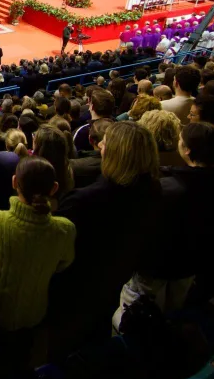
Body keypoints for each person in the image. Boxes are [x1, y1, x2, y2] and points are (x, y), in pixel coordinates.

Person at [50, 121, 160, 355]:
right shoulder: (153, 190)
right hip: (115, 280)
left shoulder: (82, 201)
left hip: (75, 291)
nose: (100, 145)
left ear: (117, 154)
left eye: (105, 143)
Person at [0, 157, 75, 379]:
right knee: (20, 372)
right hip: (31, 315)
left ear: (15, 182)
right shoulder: (64, 230)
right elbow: (64, 263)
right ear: (54, 188)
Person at [124, 122, 214, 314]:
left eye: (181, 139)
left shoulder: (169, 189)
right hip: (193, 262)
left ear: (187, 150)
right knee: (175, 308)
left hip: (158, 266)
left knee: (134, 314)